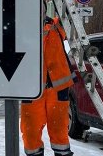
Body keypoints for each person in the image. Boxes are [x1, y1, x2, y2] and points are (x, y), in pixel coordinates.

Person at [20, 13, 74, 156]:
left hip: (58, 88)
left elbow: (68, 16)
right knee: (30, 130)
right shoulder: (22, 28)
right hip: (31, 89)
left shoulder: (56, 26)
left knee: (59, 130)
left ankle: (62, 153)